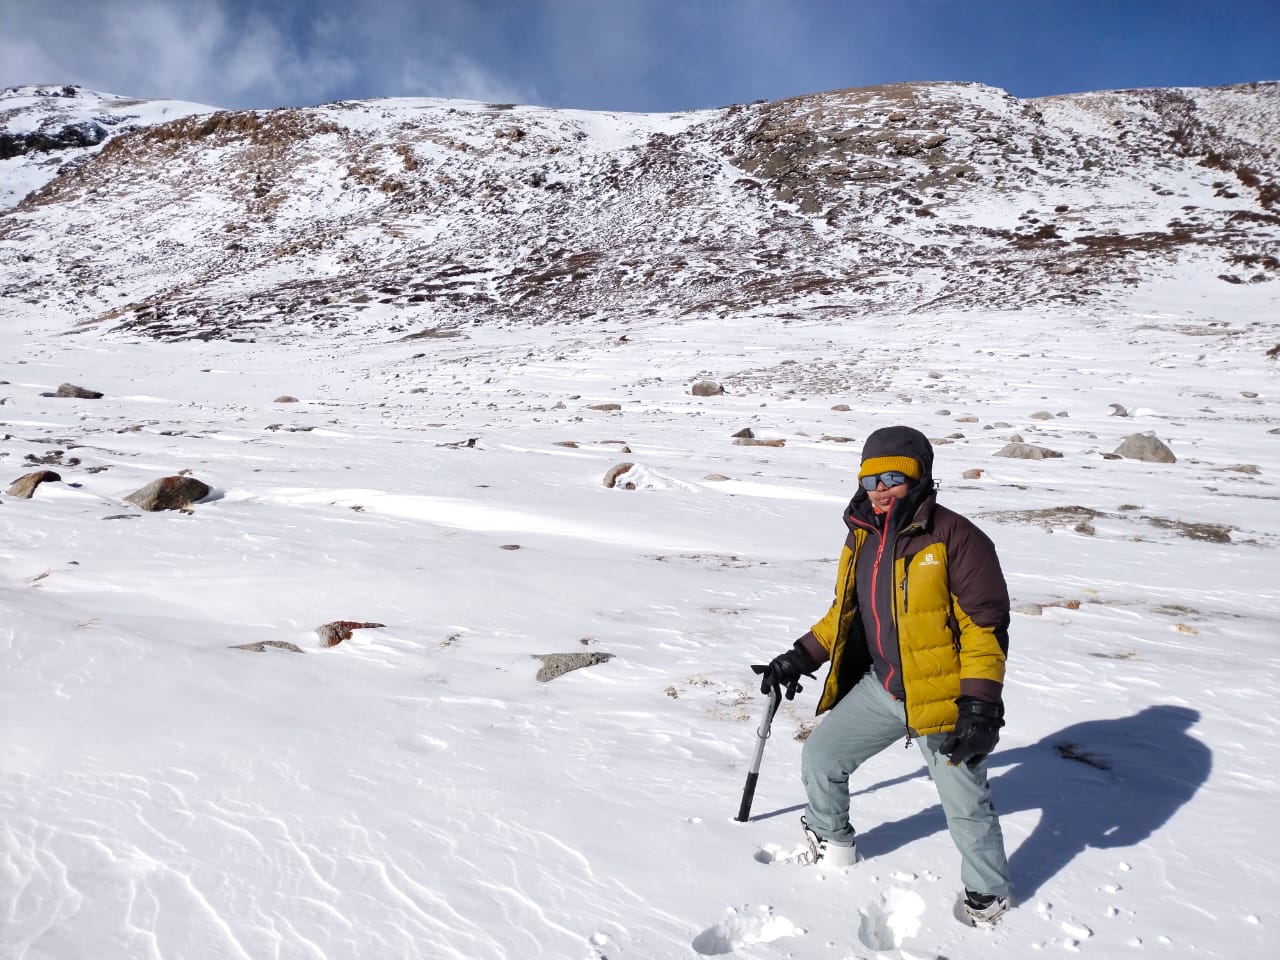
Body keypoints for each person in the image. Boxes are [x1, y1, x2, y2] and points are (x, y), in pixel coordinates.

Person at [758, 425, 1013, 927]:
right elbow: (844, 613)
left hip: (943, 696)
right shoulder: (861, 537)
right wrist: (799, 657)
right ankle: (832, 840)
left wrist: (981, 703)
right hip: (885, 687)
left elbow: (985, 627)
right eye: (870, 478)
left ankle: (988, 897)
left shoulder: (955, 537)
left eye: (893, 476)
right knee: (822, 755)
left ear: (918, 478)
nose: (880, 489)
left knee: (965, 803)